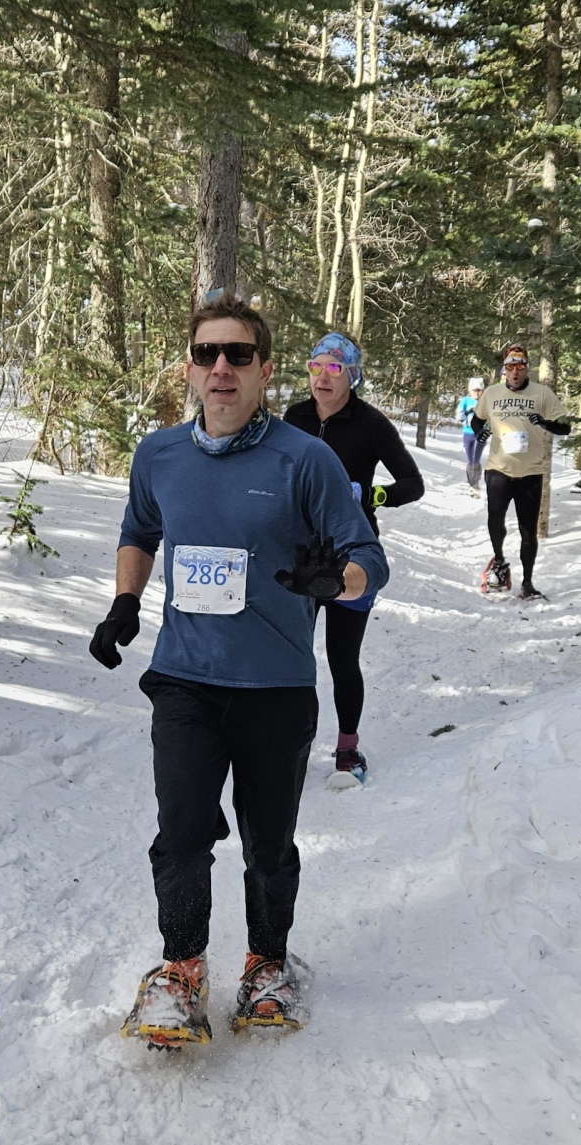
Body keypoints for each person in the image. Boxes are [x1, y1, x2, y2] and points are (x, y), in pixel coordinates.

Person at [89, 292, 388, 1044]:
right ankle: (181, 969)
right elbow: (140, 532)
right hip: (185, 679)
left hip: (275, 686)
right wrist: (124, 602)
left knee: (268, 844)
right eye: (207, 354)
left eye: (239, 355)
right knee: (182, 833)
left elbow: (369, 560)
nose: (221, 367)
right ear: (191, 369)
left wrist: (337, 581)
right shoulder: (158, 455)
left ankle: (267, 964)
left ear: (264, 370)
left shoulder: (306, 459)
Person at [284, 332, 424, 787]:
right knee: (293, 655)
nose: (322, 377)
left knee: (342, 658)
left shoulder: (371, 424)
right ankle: (290, 746)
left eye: (334, 368)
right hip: (302, 554)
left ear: (353, 376)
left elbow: (413, 483)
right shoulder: (295, 417)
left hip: (352, 558)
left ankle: (347, 749)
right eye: (315, 367)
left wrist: (370, 495)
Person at [470, 343, 571, 600]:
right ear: (504, 370)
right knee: (495, 521)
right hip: (498, 470)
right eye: (511, 367)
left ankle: (527, 582)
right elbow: (476, 420)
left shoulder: (542, 393)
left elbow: (565, 427)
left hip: (530, 472)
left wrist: (545, 423)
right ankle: (499, 562)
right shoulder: (491, 393)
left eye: (520, 367)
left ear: (527, 369)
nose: (515, 372)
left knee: (528, 530)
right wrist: (480, 432)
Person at [455, 376, 485, 495]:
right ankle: (472, 484)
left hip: (480, 434)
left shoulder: (485, 401)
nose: (476, 392)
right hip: (468, 433)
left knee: (475, 458)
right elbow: (459, 417)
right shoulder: (465, 401)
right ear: (469, 390)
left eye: (479, 390)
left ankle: (475, 485)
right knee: (470, 459)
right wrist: (468, 412)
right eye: (474, 390)